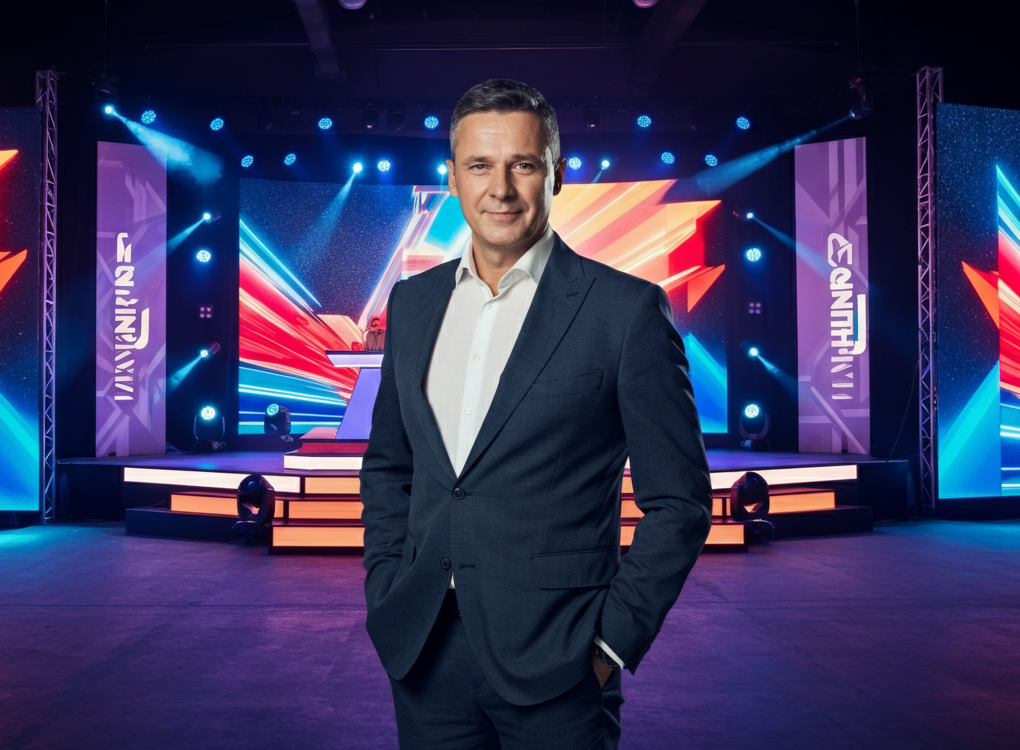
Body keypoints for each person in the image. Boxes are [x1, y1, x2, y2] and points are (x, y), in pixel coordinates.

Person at [360, 79, 712, 749]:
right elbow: (388, 466)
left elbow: (682, 501)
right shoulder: (413, 304)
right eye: (479, 166)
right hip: (423, 648)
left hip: (561, 657)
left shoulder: (625, 312)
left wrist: (611, 641)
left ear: (555, 173)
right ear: (453, 178)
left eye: (522, 164)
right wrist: (385, 584)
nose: (501, 188)